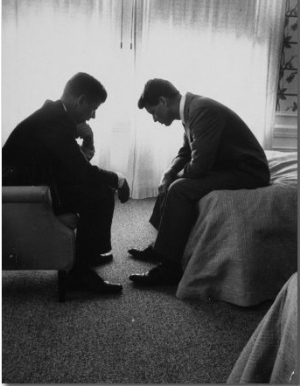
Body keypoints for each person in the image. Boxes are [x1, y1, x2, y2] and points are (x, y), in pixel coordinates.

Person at [128, 78, 270, 287]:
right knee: (170, 181)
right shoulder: (191, 110)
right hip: (228, 165)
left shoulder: (201, 110)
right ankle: (160, 247)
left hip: (248, 170)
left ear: (163, 101)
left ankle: (170, 268)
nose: (155, 120)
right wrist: (168, 173)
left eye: (153, 113)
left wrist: (174, 179)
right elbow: (186, 151)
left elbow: (199, 167)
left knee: (179, 188)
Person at [2, 72, 130, 295]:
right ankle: (80, 274)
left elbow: (71, 166)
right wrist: (118, 179)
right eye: (93, 109)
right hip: (26, 197)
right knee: (100, 194)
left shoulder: (55, 116)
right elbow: (82, 172)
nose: (93, 116)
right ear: (80, 100)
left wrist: (87, 140)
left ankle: (87, 256)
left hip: (35, 187)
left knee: (97, 190)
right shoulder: (54, 122)